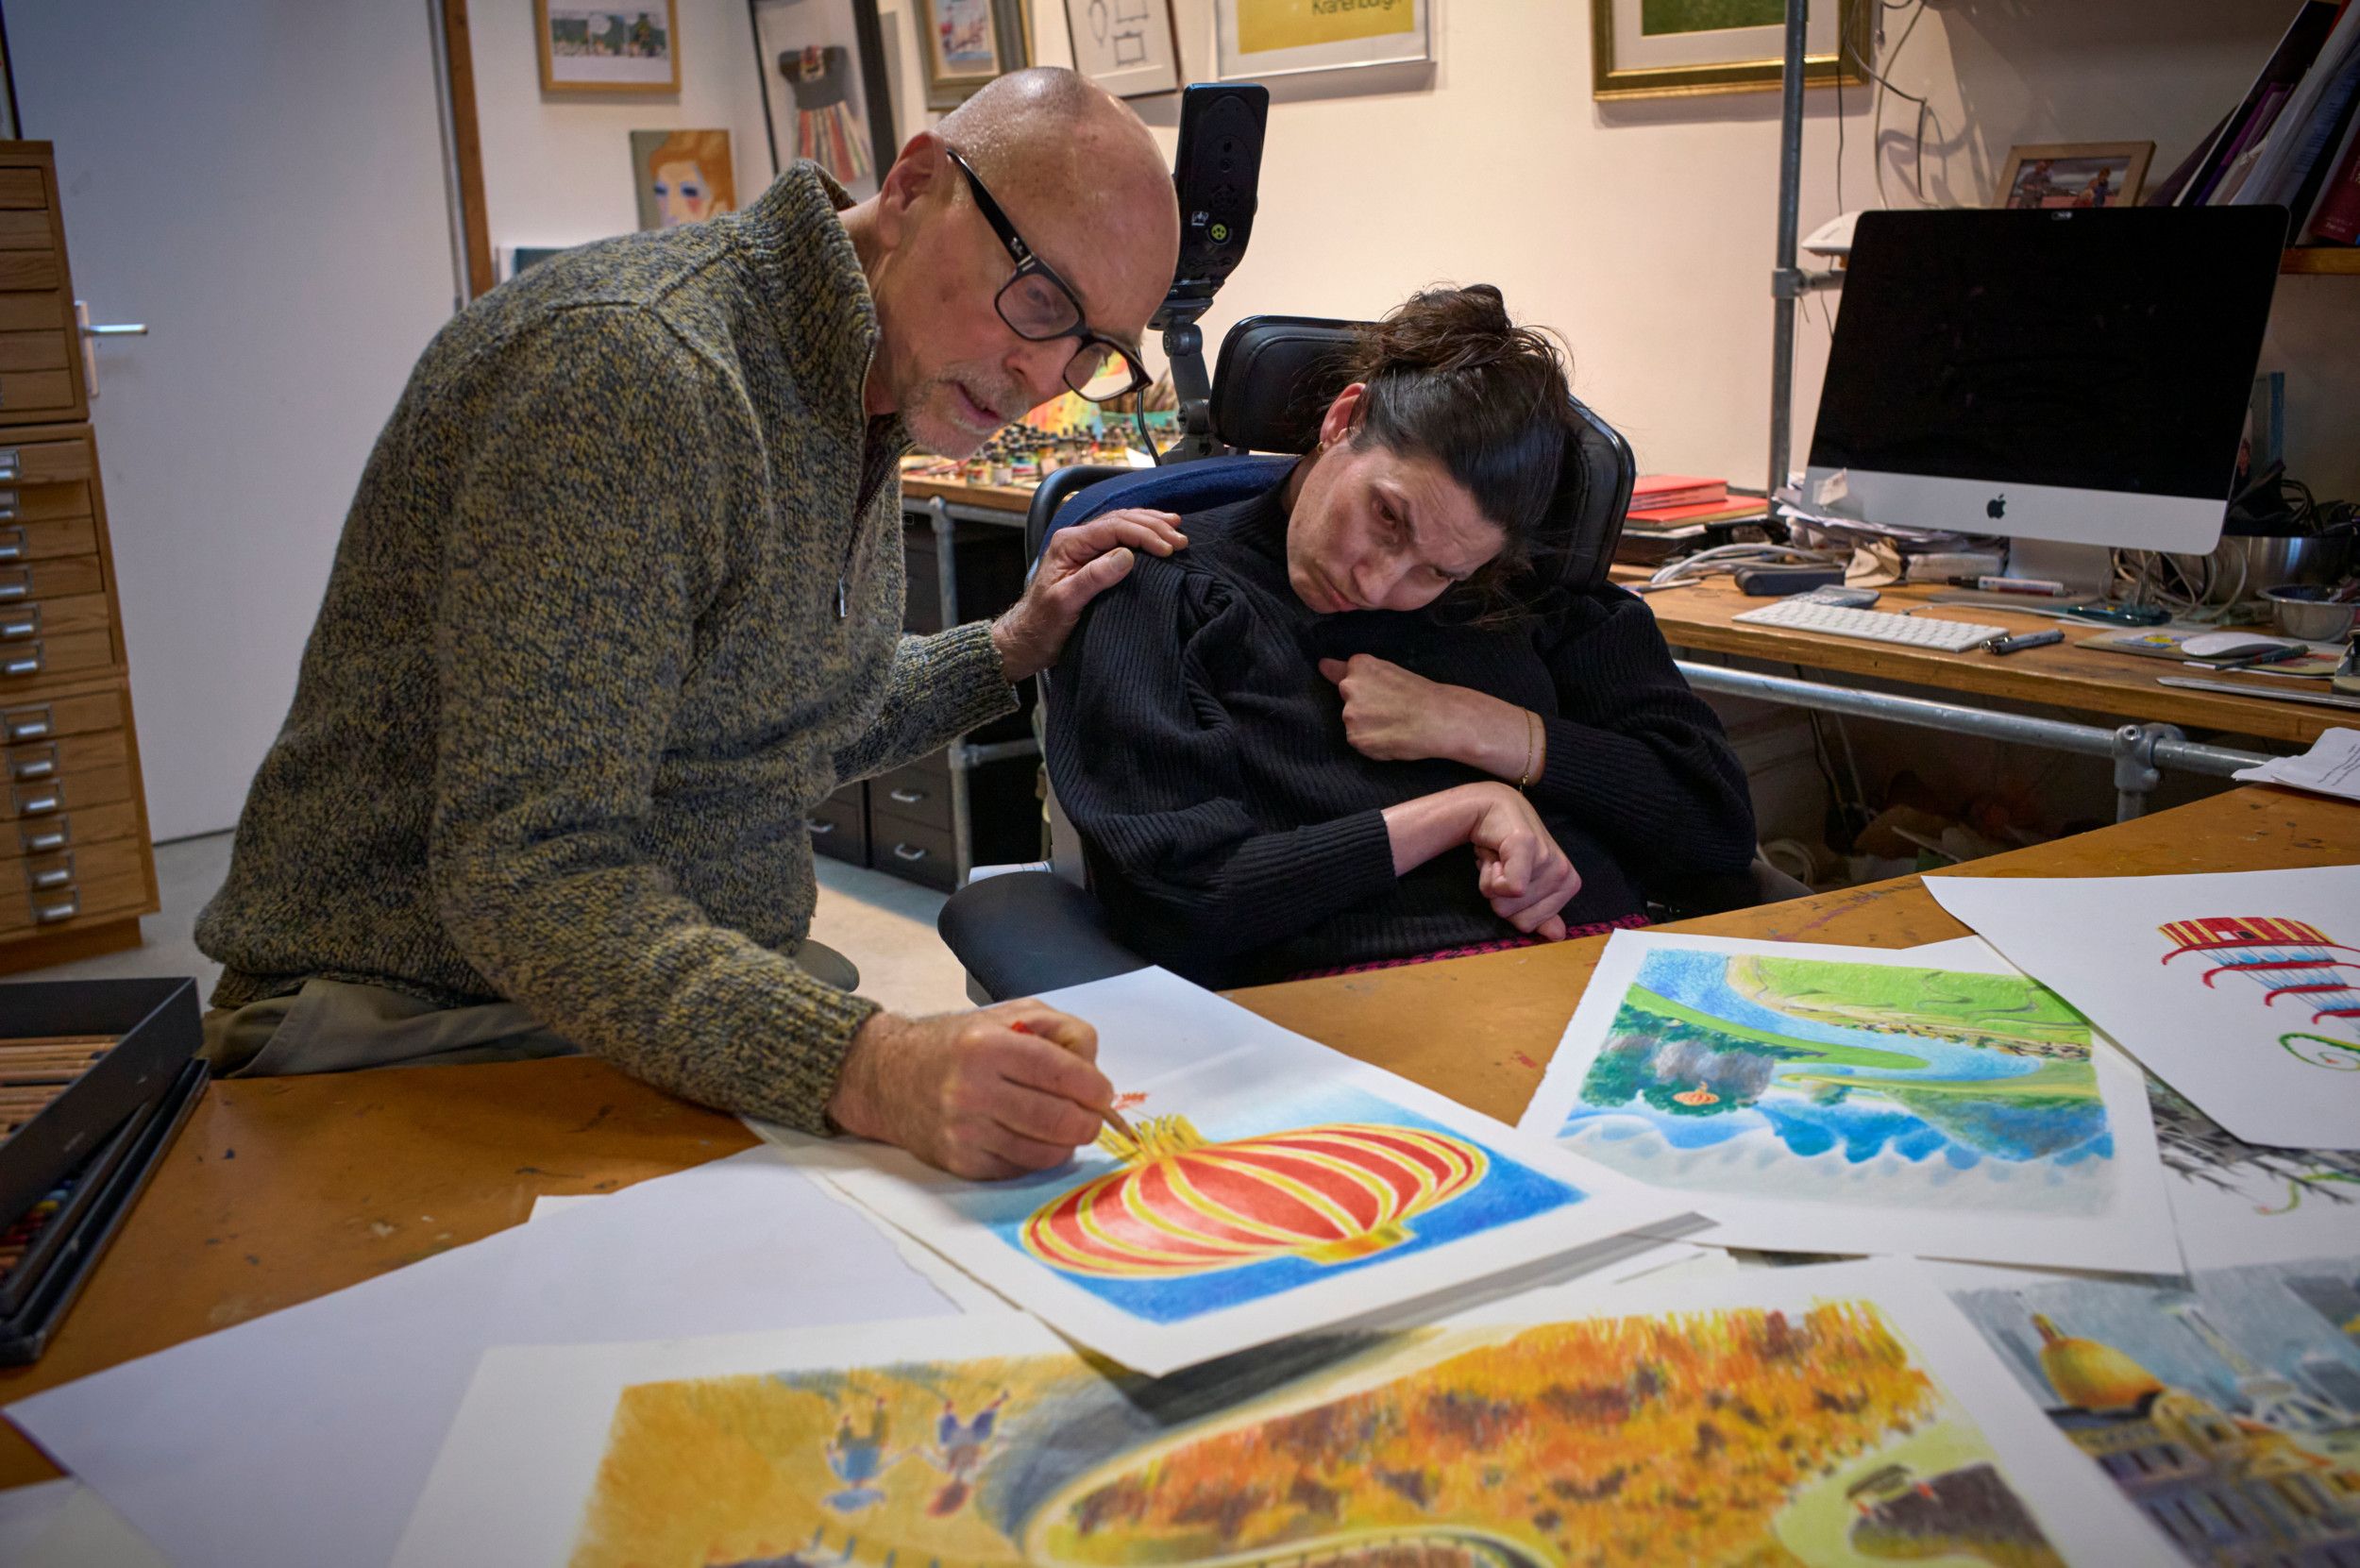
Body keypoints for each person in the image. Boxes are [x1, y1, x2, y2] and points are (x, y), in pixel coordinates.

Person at [194, 69, 1184, 1181]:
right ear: (913, 187)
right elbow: (526, 866)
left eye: (1092, 349)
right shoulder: (636, 373)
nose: (1044, 376)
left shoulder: (862, 385)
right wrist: (872, 1065)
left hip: (613, 997)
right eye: (1042, 301)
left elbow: (762, 725)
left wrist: (1006, 645)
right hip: (413, 1017)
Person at [1046, 285, 1758, 988]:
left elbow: (1715, 831)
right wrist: (1462, 810)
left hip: (1609, 978)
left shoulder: (1530, 597)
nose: (1379, 585)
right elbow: (1181, 896)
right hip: (1360, 1009)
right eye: (1388, 517)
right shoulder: (1162, 586)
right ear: (1343, 419)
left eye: (1440, 571)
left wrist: (1494, 732)